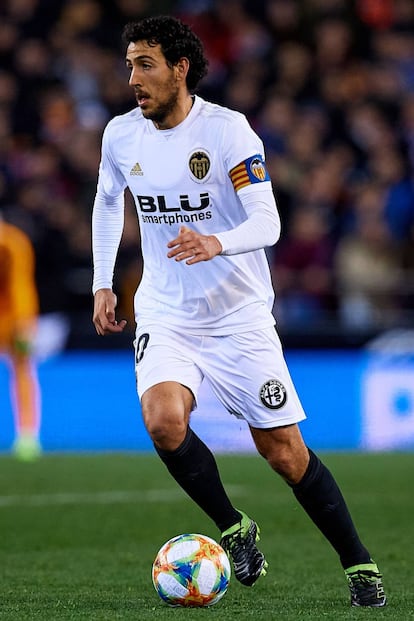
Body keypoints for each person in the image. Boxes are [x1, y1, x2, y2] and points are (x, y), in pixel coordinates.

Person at [92, 15, 386, 607]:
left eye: (144, 64)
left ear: (180, 68)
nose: (133, 78)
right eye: (129, 65)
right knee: (163, 421)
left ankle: (360, 565)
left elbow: (268, 222)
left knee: (284, 451)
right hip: (167, 313)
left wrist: (214, 242)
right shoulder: (122, 135)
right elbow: (106, 203)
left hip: (238, 317)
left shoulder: (228, 132)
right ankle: (234, 527)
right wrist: (103, 282)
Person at [0, 217, 42, 461]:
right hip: (13, 318)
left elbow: (20, 285)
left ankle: (28, 435)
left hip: (11, 319)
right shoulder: (14, 240)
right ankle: (28, 436)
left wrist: (25, 322)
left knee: (22, 369)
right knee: (23, 370)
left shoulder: (12, 242)